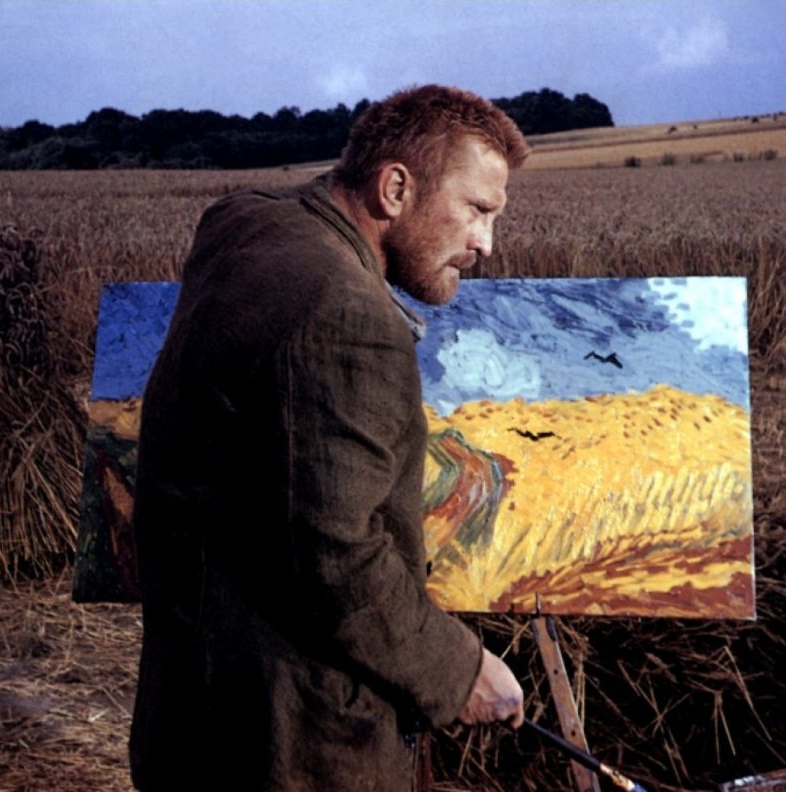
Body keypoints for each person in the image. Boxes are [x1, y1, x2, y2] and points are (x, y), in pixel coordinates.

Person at [130, 84, 531, 791]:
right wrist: (458, 671)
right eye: (476, 209)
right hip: (290, 745)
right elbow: (333, 555)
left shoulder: (243, 224)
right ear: (395, 189)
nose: (485, 244)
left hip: (190, 714)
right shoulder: (348, 311)